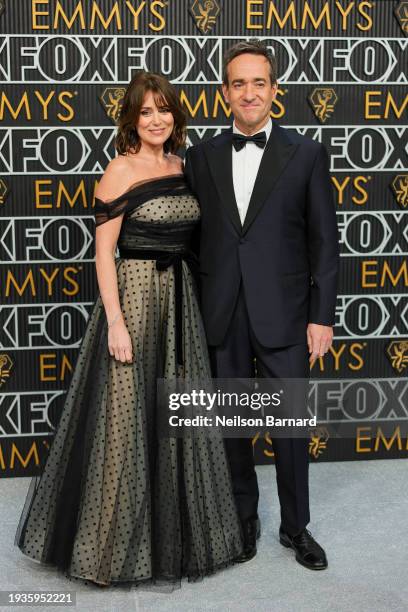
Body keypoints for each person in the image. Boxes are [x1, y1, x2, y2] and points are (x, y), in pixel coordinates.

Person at [15, 72, 243, 587]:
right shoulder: (118, 170)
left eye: (164, 110)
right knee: (124, 427)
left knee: (178, 422)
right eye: (146, 112)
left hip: (182, 302)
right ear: (132, 119)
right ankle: (106, 553)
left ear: (175, 116)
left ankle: (174, 539)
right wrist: (115, 322)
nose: (157, 119)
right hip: (136, 299)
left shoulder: (186, 167)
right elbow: (103, 253)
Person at [184, 40, 339, 569]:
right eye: (238, 83)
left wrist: (322, 317)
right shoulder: (200, 156)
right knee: (231, 429)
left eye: (259, 82)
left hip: (288, 315)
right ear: (224, 92)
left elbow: (325, 242)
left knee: (291, 430)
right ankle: (243, 521)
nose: (248, 92)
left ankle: (296, 529)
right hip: (222, 311)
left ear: (275, 90)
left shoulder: (308, 154)